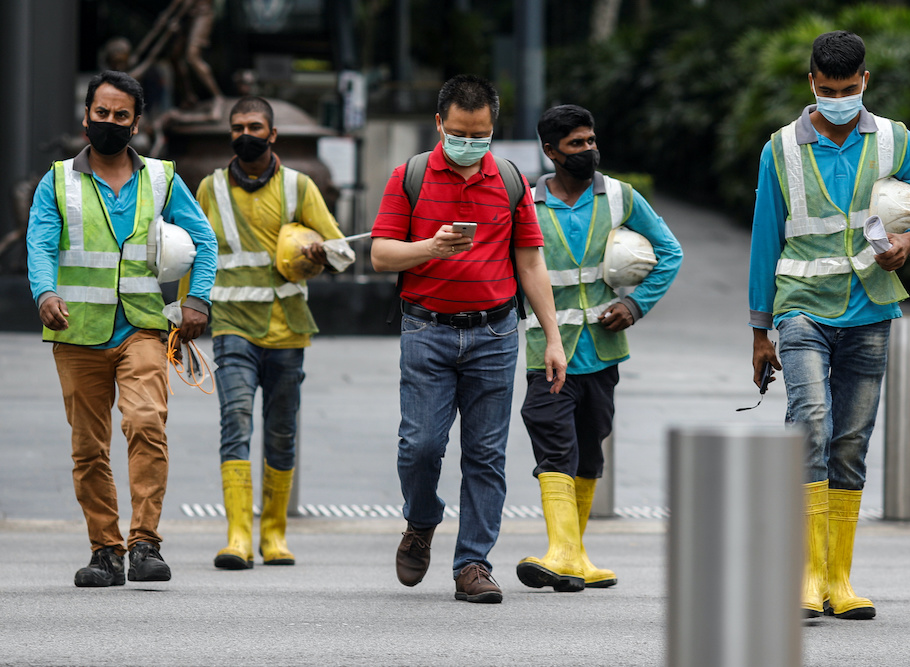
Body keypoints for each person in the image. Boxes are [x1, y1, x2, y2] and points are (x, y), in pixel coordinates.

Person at [748, 31, 910, 619]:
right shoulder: (780, 149)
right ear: (810, 82)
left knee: (849, 445)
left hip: (870, 310)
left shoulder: (897, 140)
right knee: (810, 422)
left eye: (847, 88)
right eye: (826, 89)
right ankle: (805, 576)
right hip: (800, 307)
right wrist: (759, 331)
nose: (837, 98)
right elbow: (765, 240)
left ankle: (837, 581)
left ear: (864, 81)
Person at [370, 74, 567, 604]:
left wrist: (552, 337)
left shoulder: (509, 180)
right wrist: (430, 247)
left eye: (480, 136)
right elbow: (382, 254)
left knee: (485, 455)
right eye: (459, 133)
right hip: (427, 329)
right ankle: (422, 518)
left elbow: (530, 260)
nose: (469, 144)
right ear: (439, 124)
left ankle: (473, 564)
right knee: (421, 446)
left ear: (493, 130)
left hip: (496, 332)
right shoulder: (408, 176)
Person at [25, 70, 218, 587]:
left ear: (136, 124)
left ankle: (145, 544)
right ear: (86, 116)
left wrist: (196, 299)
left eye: (120, 116)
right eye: (101, 113)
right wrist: (45, 293)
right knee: (88, 448)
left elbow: (204, 238)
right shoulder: (59, 180)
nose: (109, 122)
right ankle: (105, 551)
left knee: (146, 424)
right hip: (76, 332)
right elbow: (40, 244)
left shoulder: (161, 179)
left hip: (142, 328)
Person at [517, 104, 683, 592]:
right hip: (547, 353)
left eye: (591, 141)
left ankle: (575, 556)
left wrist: (635, 306)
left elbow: (670, 252)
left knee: (590, 451)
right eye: (576, 144)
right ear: (550, 151)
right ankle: (562, 552)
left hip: (602, 353)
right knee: (553, 444)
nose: (588, 150)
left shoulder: (620, 197)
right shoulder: (525, 204)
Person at [189, 96, 347, 570]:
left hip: (287, 332)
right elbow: (194, 254)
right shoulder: (210, 190)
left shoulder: (301, 187)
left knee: (281, 434)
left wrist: (321, 252)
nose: (245, 134)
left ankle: (273, 534)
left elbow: (343, 251)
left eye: (254, 126)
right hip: (232, 326)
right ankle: (238, 535)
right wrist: (185, 313)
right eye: (237, 126)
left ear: (272, 134)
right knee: (235, 421)